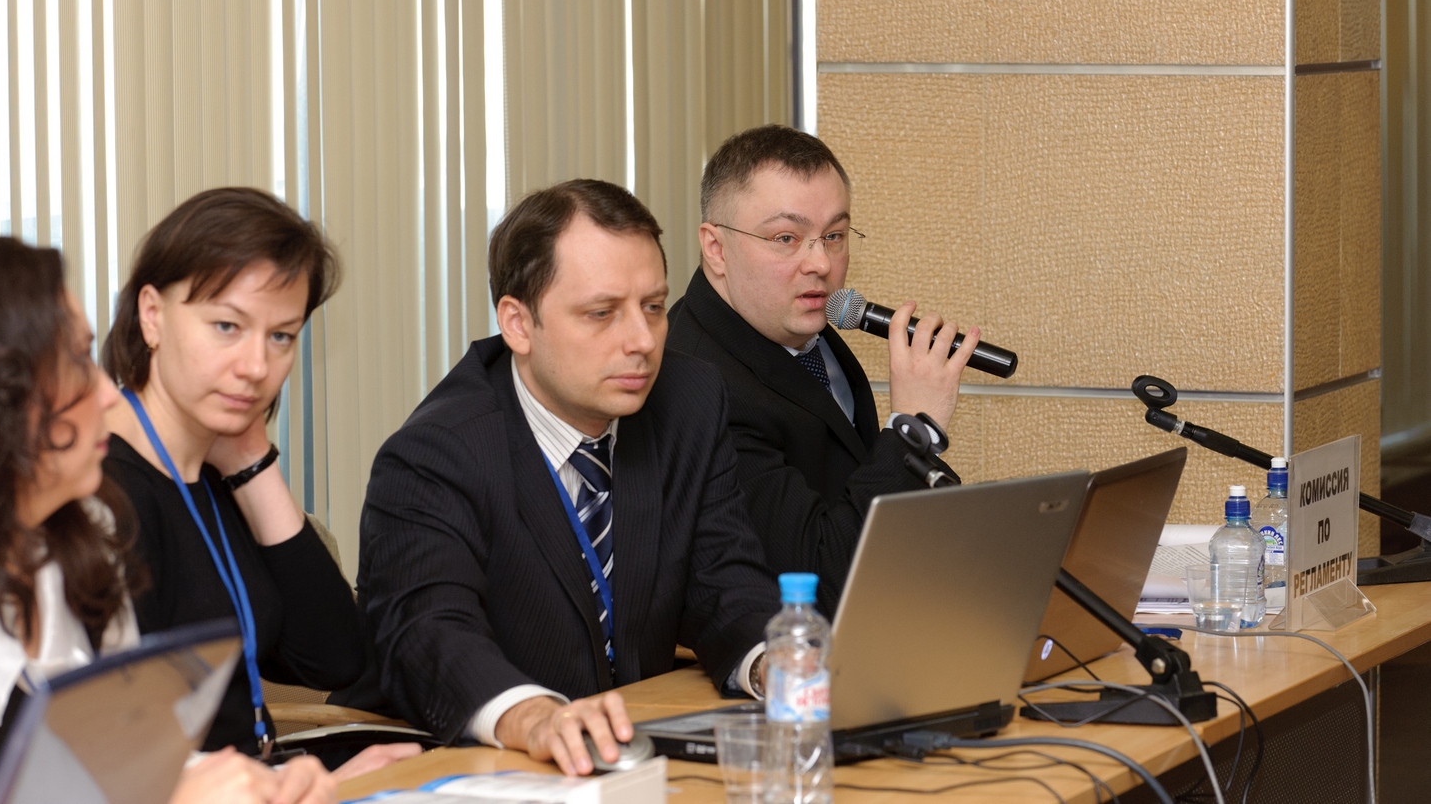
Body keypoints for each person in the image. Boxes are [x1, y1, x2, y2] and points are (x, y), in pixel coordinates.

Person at [339, 179, 780, 776]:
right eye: (602, 313)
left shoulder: (688, 404)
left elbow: (724, 580)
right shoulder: (436, 453)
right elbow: (429, 632)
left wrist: (774, 663)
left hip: (625, 757)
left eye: (654, 307)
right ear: (518, 324)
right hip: (468, 765)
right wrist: (532, 715)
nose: (642, 341)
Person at [0, 235, 335, 804]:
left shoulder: (85, 546)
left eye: (282, 335)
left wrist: (263, 782)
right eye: (77, 361)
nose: (108, 394)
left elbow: (124, 768)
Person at [99, 188, 372, 758]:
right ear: (152, 315)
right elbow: (110, 744)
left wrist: (253, 462)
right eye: (227, 326)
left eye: (281, 336)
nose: (256, 367)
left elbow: (334, 658)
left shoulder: (219, 472)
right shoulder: (97, 486)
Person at [668, 124, 981, 615]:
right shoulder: (696, 386)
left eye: (833, 236)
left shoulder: (798, 326)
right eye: (786, 238)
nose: (820, 263)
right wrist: (913, 429)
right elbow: (820, 584)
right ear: (715, 248)